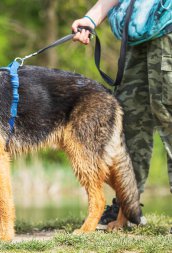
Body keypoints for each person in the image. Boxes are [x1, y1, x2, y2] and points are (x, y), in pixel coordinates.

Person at [71, 0, 172, 229]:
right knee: (130, 123)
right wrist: (90, 19)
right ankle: (127, 210)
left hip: (168, 32)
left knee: (169, 115)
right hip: (138, 35)